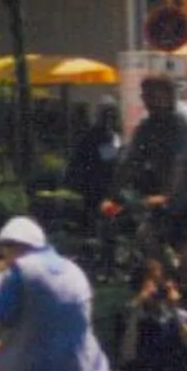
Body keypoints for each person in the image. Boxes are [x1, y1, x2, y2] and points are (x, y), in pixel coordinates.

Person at [0, 215, 112, 371]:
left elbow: (2, 320)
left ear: (11, 246)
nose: (5, 258)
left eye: (4, 250)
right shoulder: (74, 269)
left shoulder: (19, 271)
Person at [122, 72, 187, 302]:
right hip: (175, 196)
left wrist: (165, 196)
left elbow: (179, 163)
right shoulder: (148, 125)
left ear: (168, 95)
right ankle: (166, 289)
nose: (146, 101)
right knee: (147, 235)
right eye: (144, 95)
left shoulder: (183, 120)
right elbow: (130, 162)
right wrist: (111, 194)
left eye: (152, 96)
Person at [114, 256, 187, 371]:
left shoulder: (181, 315)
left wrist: (174, 310)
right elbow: (126, 356)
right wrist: (137, 308)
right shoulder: (129, 317)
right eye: (151, 283)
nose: (156, 289)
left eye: (159, 282)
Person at [66, 101, 124, 277]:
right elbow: (110, 160)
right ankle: (106, 265)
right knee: (107, 225)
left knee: (97, 227)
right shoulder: (103, 136)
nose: (112, 118)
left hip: (93, 190)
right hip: (102, 190)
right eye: (110, 114)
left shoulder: (95, 134)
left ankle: (99, 263)